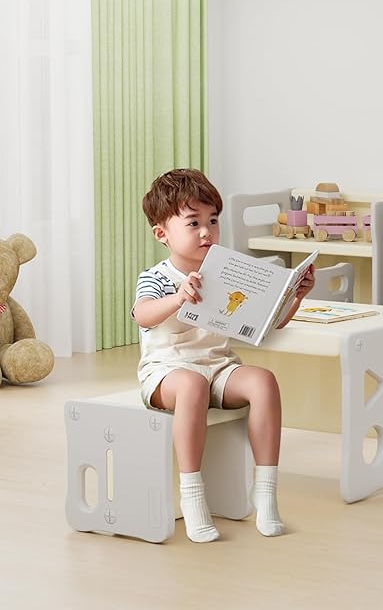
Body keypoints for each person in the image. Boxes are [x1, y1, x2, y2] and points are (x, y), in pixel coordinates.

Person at [131, 168, 315, 542]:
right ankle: (192, 494)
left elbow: (270, 323)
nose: (206, 232)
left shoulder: (225, 272)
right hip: (167, 371)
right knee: (192, 385)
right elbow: (143, 314)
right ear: (162, 234)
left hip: (217, 367)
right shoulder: (158, 277)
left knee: (263, 381)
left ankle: (265, 491)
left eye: (213, 221)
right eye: (193, 223)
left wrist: (296, 296)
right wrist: (178, 297)